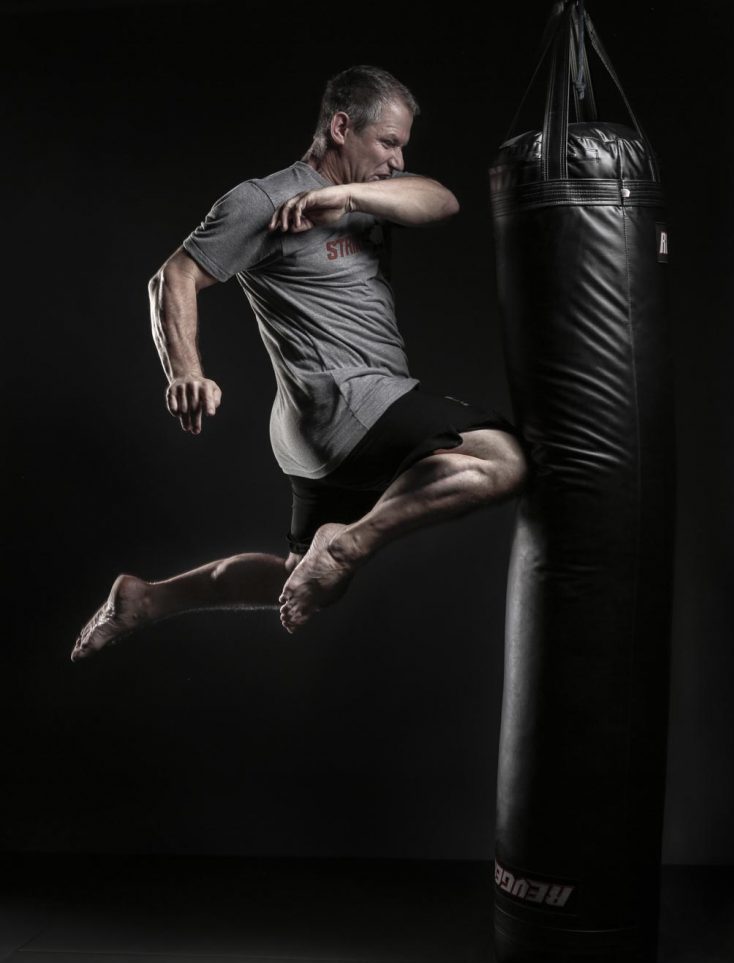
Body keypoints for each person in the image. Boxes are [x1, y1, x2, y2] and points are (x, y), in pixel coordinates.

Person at [70, 65, 527, 660]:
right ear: (341, 127)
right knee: (504, 460)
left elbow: (441, 201)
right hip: (350, 399)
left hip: (316, 430)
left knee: (295, 575)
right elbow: (172, 277)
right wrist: (185, 372)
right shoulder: (262, 200)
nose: (395, 160)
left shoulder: (368, 192)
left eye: (402, 147)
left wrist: (347, 194)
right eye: (387, 143)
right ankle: (346, 547)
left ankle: (148, 599)